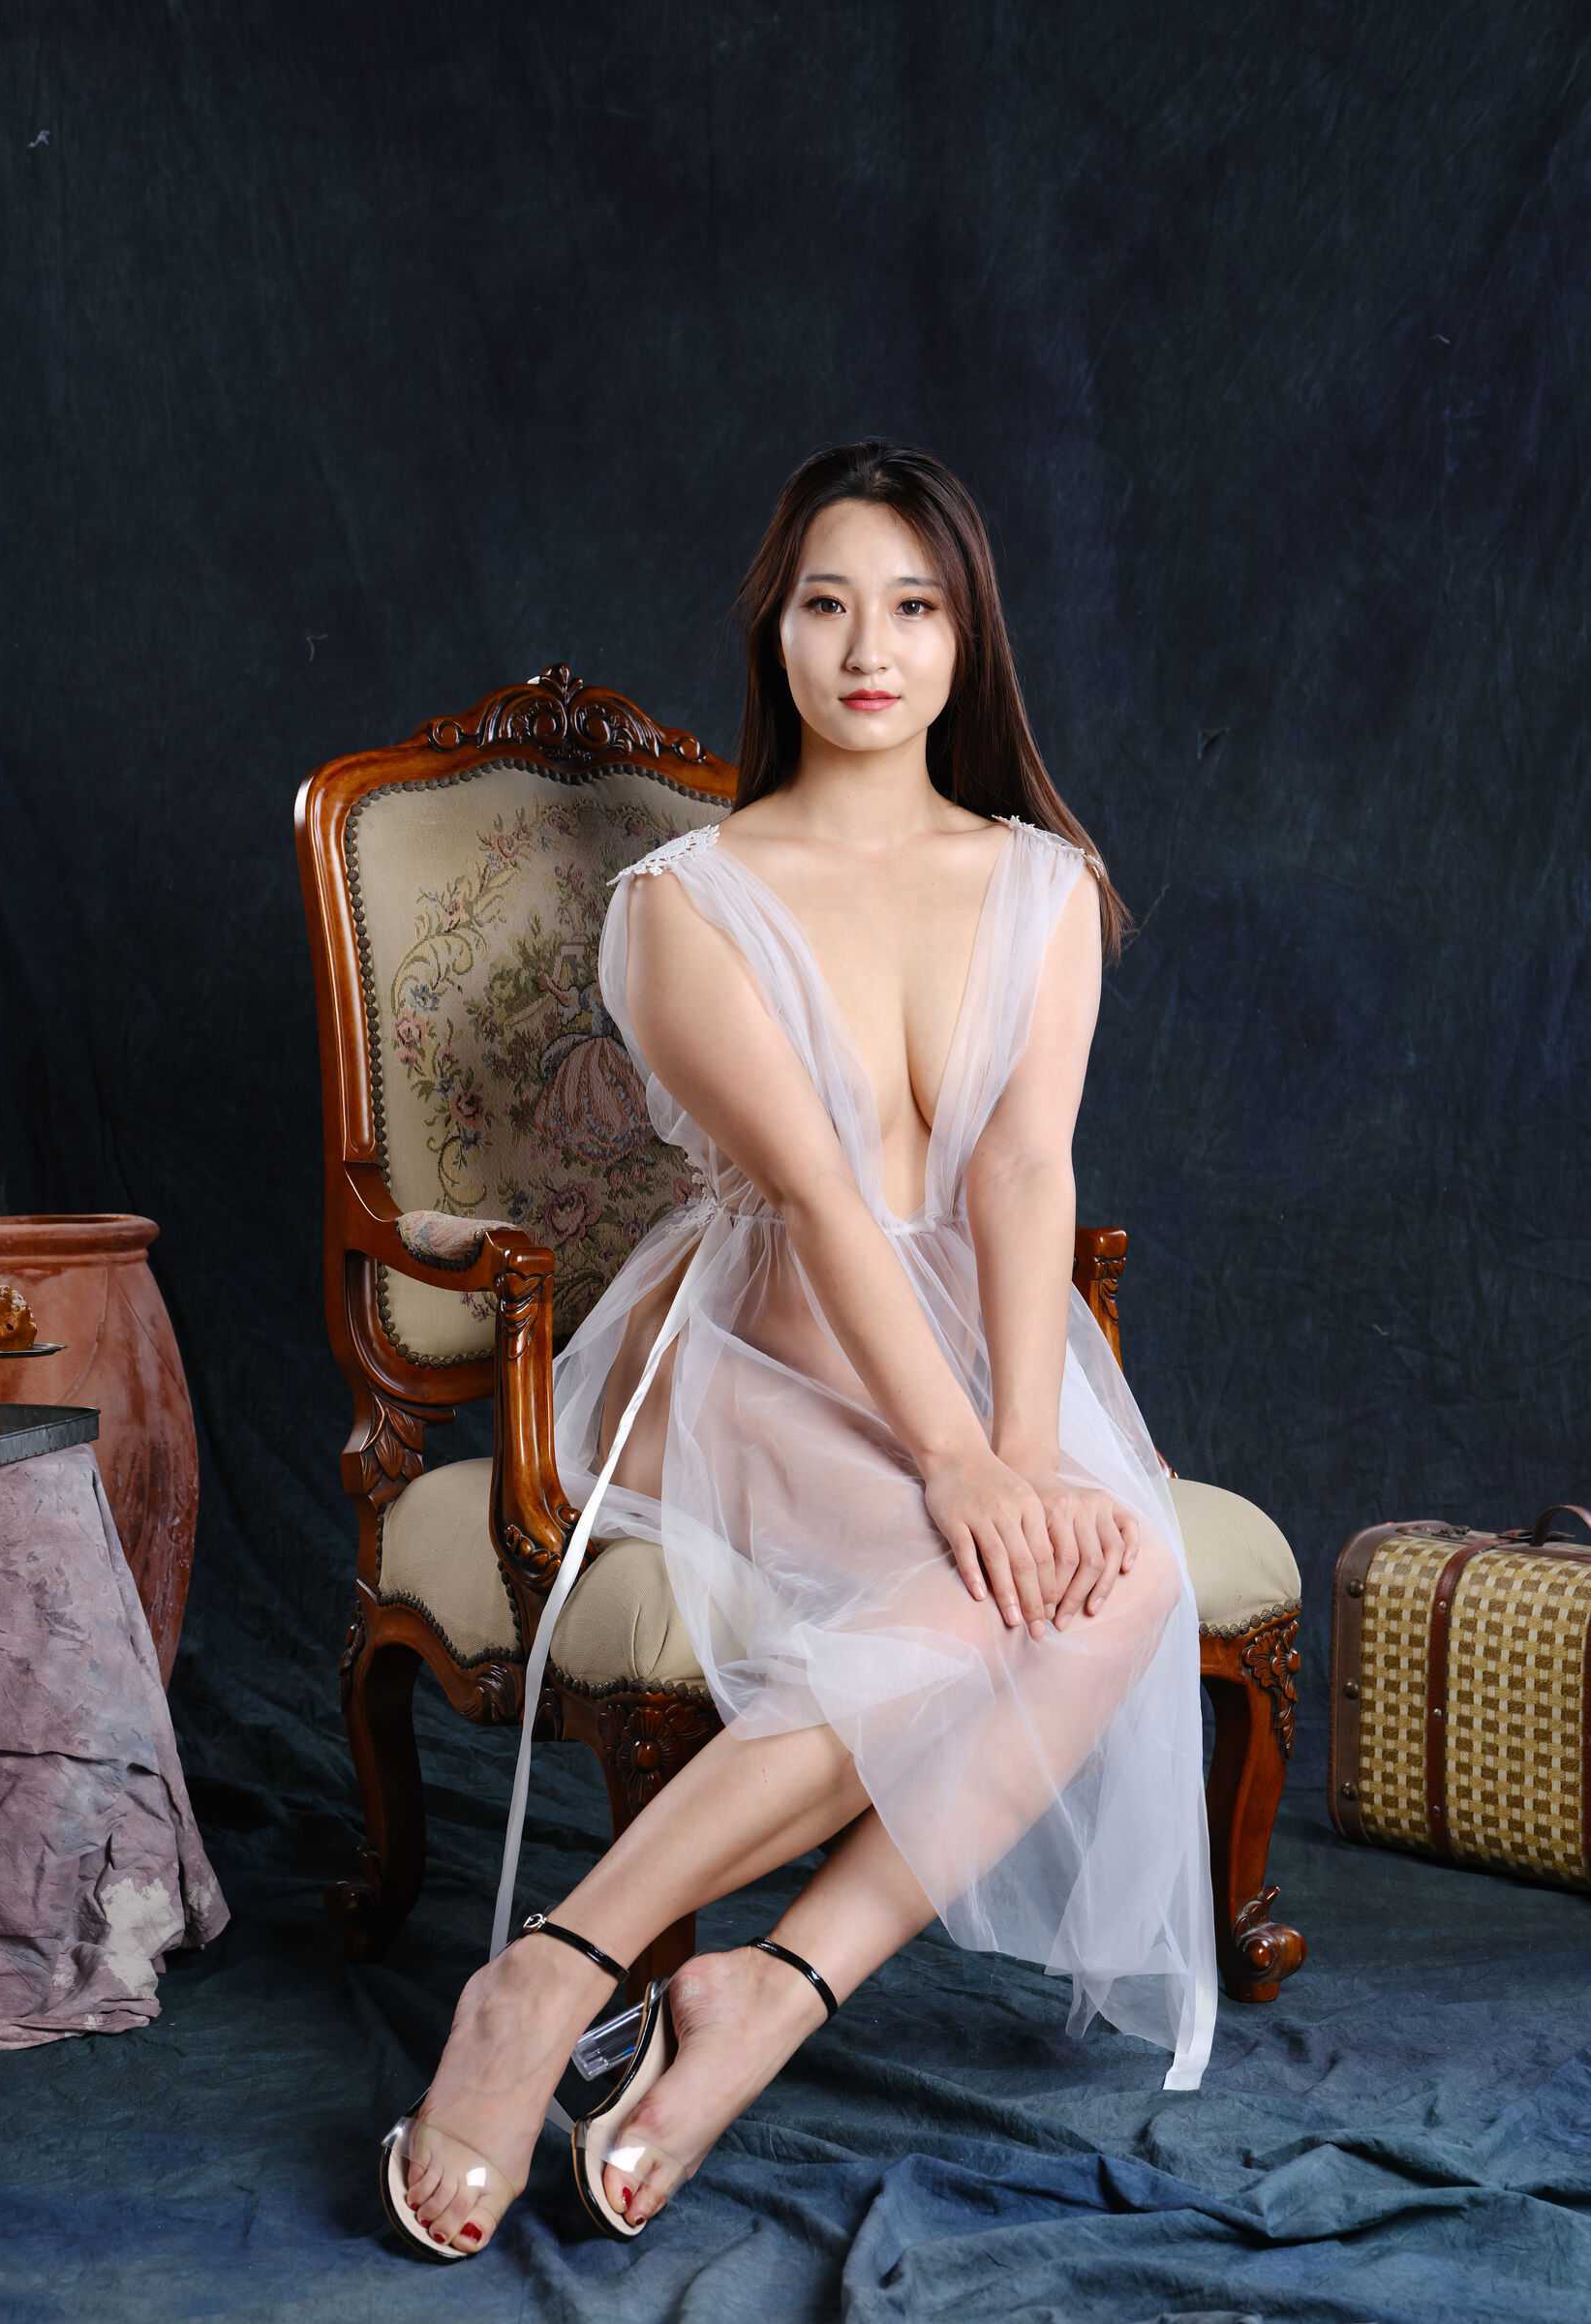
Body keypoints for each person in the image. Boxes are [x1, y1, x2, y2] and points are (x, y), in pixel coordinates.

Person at [382, 440, 1217, 2260]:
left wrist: (1025, 1444)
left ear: (966, 638)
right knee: (983, 1601)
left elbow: (1024, 1171)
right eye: (828, 603)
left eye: (913, 607)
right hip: (738, 1364)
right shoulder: (685, 903)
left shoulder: (1043, 883)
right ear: (775, 630)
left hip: (975, 1361)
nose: (869, 647)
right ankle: (550, 1973)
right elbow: (828, 1203)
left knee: (1119, 1573)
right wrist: (961, 1469)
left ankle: (769, 1989)